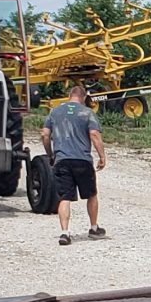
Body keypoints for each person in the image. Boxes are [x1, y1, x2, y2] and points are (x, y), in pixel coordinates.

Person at [44, 80, 107, 244]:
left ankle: (65, 233)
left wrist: (50, 154)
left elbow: (44, 134)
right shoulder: (87, 113)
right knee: (91, 194)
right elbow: (94, 134)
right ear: (83, 97)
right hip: (83, 160)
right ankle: (94, 228)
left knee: (64, 197)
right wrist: (102, 156)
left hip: (62, 160)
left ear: (69, 96)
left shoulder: (55, 112)